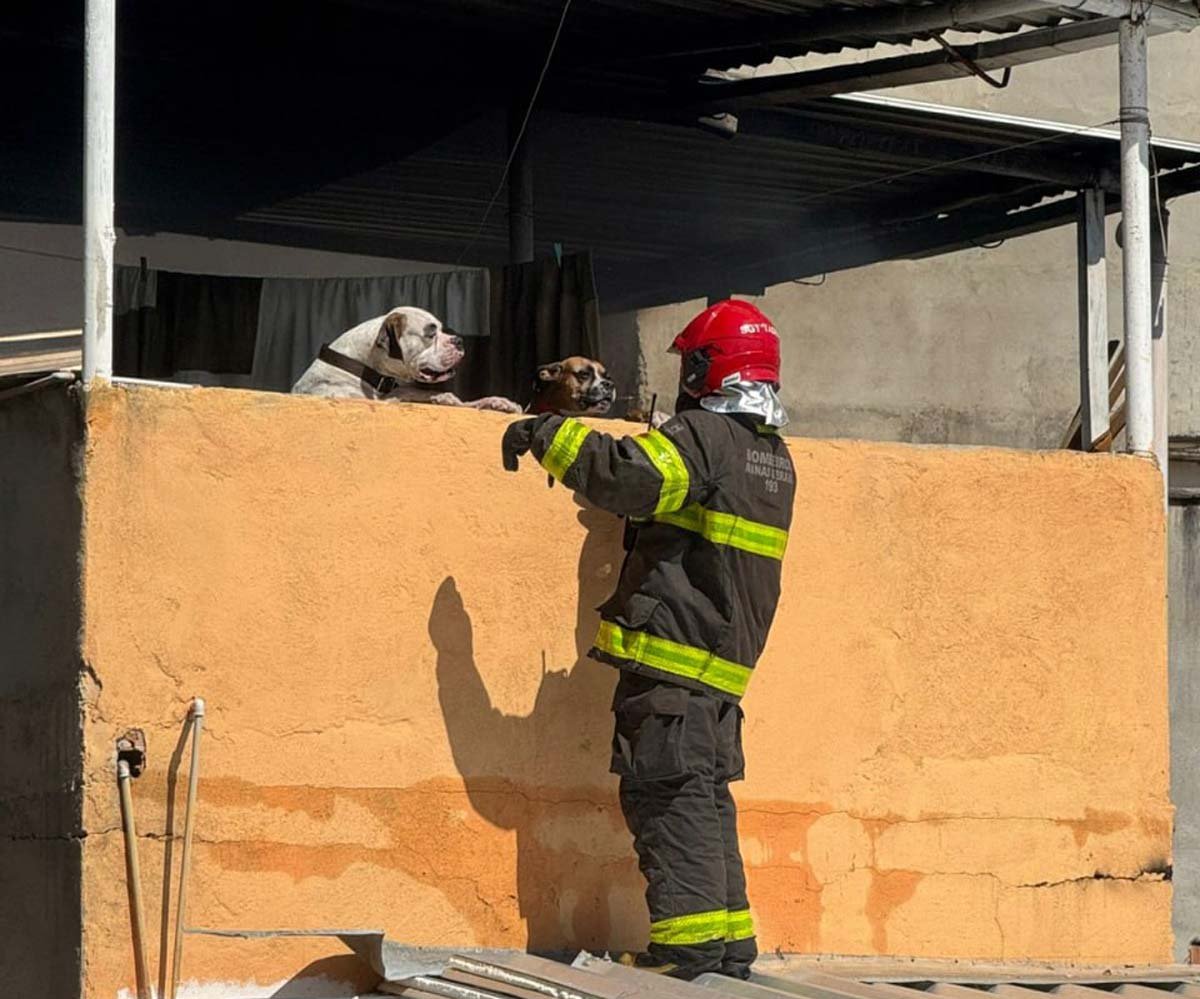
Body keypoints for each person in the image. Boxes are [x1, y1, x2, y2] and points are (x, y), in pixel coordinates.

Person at [501, 300, 796, 981]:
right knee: (705, 801)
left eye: (690, 363)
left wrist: (547, 432)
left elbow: (632, 477)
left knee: (668, 800)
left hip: (672, 666)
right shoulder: (772, 456)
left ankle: (688, 954)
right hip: (717, 673)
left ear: (707, 368)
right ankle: (728, 946)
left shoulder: (705, 435)